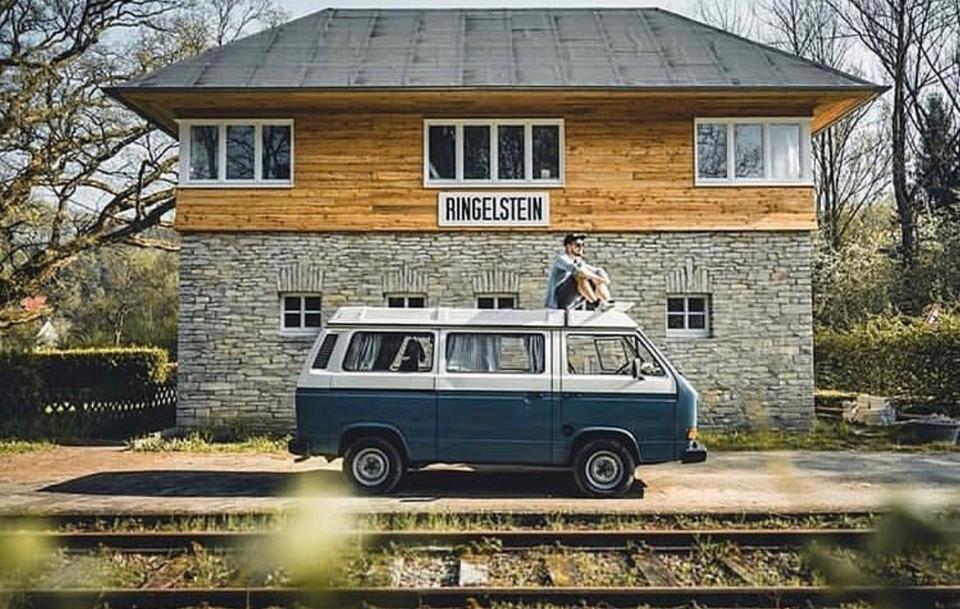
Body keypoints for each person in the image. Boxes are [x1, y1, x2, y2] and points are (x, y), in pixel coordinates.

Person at [544, 233, 613, 310]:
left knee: (595, 275)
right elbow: (579, 271)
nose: (581, 248)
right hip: (559, 301)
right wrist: (598, 278)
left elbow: (596, 270)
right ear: (568, 247)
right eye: (578, 245)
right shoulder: (561, 259)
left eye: (582, 245)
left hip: (572, 300)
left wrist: (602, 276)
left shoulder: (579, 262)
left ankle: (608, 302)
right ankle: (596, 304)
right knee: (580, 274)